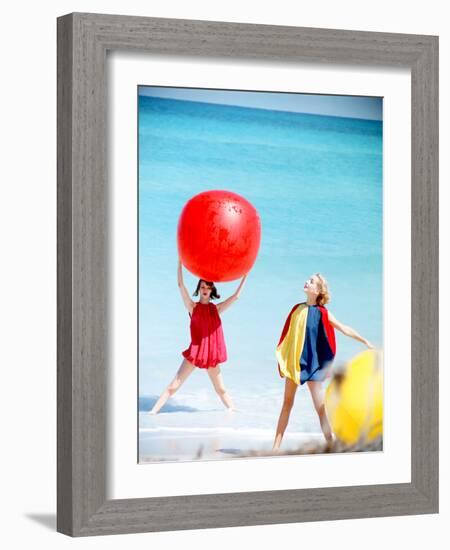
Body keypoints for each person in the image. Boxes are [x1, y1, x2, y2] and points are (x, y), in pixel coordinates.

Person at [272, 273, 374, 449]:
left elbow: (343, 328)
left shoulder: (323, 313)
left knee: (320, 409)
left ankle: (331, 445)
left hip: (312, 366)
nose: (307, 281)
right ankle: (275, 448)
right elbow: (290, 337)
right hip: (295, 365)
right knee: (287, 404)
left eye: (311, 281)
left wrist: (364, 341)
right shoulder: (297, 309)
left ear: (318, 290)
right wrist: (285, 359)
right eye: (308, 279)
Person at [149, 259, 248, 414]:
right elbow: (181, 286)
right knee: (173, 386)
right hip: (195, 353)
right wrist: (180, 264)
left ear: (211, 291)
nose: (205, 289)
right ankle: (152, 412)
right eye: (202, 286)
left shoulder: (216, 309)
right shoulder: (192, 307)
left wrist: (245, 275)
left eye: (208, 287)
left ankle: (234, 413)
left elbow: (236, 297)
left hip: (211, 356)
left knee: (221, 389)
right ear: (199, 289)